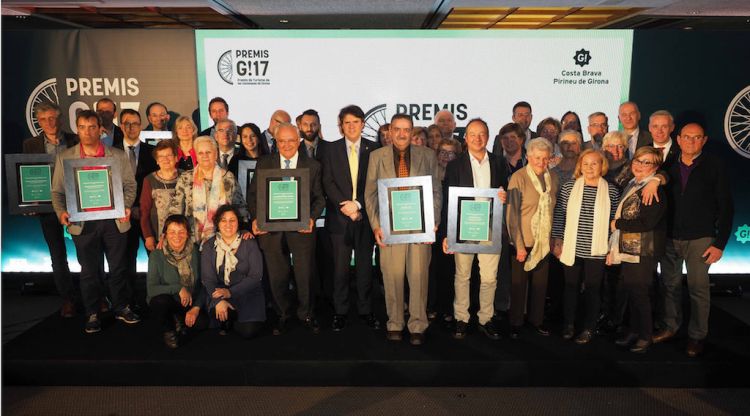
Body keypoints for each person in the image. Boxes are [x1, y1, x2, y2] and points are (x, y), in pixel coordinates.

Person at [51, 110, 139, 333]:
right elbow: (57, 192)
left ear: (100, 129)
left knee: (119, 268)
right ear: (77, 129)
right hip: (83, 223)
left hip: (114, 221)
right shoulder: (65, 157)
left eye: (92, 127)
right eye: (82, 127)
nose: (88, 132)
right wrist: (61, 212)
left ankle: (121, 307)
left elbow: (130, 186)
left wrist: (126, 206)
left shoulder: (117, 155)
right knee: (89, 271)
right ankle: (92, 312)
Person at [656, 122, 734, 357]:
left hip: (701, 239)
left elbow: (726, 207)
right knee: (669, 286)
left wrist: (719, 244)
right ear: (678, 139)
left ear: (704, 140)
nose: (691, 141)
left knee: (698, 289)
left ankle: (697, 336)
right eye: (687, 137)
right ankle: (670, 327)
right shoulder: (667, 165)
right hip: (669, 237)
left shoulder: (715, 165)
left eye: (696, 137)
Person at [364, 114, 442, 346]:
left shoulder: (427, 155)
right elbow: (369, 194)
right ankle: (395, 323)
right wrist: (376, 225)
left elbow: (436, 191)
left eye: (406, 130)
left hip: (420, 228)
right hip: (390, 228)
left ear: (412, 132)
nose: (401, 134)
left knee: (419, 277)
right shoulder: (377, 156)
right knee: (392, 277)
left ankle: (418, 324)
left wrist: (433, 221)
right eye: (396, 129)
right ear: (389, 132)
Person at [248, 123, 325, 335]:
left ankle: (306, 313)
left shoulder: (313, 165)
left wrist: (311, 217)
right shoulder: (265, 163)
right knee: (277, 276)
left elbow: (319, 199)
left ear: (299, 141)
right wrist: (255, 219)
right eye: (282, 141)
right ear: (276, 142)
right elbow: (253, 196)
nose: (287, 145)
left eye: (291, 140)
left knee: (304, 275)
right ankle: (283, 314)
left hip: (302, 230)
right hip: (271, 232)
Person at [441, 118, 509, 340]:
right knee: (462, 276)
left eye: (482, 134)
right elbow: (448, 202)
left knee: (489, 278)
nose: (477, 138)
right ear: (466, 137)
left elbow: (505, 192)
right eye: (473, 134)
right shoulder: (455, 165)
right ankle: (461, 318)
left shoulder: (500, 163)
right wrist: (447, 234)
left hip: (490, 228)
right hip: (463, 228)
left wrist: (504, 196)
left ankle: (485, 318)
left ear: (488, 137)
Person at [321, 105, 381, 331]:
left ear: (363, 124)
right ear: (340, 126)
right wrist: (346, 205)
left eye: (356, 122)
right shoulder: (330, 149)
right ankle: (340, 312)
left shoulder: (374, 149)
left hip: (365, 218)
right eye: (347, 122)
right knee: (340, 269)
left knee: (365, 268)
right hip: (339, 218)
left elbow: (375, 184)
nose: (352, 126)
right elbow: (327, 182)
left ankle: (366, 311)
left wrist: (358, 205)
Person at [551, 149, 619, 344]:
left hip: (597, 250)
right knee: (570, 288)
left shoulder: (611, 191)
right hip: (571, 246)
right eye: (586, 163)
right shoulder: (569, 187)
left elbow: (615, 223)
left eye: (594, 163)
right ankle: (569, 325)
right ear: (580, 165)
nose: (590, 167)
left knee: (593, 290)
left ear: (602, 166)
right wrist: (557, 240)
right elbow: (560, 216)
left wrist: (612, 248)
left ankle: (589, 328)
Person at [608, 147, 667, 353]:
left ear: (656, 167)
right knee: (633, 293)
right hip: (630, 249)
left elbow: (647, 223)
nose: (640, 165)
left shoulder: (653, 188)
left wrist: (617, 224)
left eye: (647, 163)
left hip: (643, 251)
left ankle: (645, 335)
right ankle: (634, 330)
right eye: (638, 160)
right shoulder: (633, 183)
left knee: (640, 295)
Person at [23, 102, 79, 317]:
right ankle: (68, 299)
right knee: (57, 255)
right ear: (38, 122)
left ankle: (98, 295)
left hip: (76, 205)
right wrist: (28, 202)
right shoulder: (30, 144)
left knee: (88, 253)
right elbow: (27, 175)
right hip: (47, 208)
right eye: (45, 119)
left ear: (61, 119)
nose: (50, 123)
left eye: (53, 118)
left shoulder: (75, 139)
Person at [506, 137, 559, 339]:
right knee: (519, 286)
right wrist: (518, 245)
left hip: (543, 241)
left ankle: (536, 321)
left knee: (540, 285)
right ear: (528, 156)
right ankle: (516, 323)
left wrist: (554, 238)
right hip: (522, 241)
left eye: (545, 158)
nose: (541, 162)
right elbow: (511, 214)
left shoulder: (553, 177)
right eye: (537, 157)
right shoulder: (517, 178)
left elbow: (555, 209)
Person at [168, 136, 249, 246]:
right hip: (191, 241)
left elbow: (240, 207)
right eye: (200, 153)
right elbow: (175, 209)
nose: (205, 156)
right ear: (196, 155)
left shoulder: (228, 177)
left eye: (208, 152)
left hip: (223, 240)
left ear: (215, 154)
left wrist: (245, 229)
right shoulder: (186, 177)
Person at [202, 205, 266, 339]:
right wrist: (219, 300)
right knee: (220, 316)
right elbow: (208, 279)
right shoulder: (209, 245)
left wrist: (231, 292)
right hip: (220, 292)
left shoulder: (249, 243)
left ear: (238, 222)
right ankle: (227, 318)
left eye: (232, 220)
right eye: (223, 220)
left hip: (248, 293)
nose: (228, 224)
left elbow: (255, 276)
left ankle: (233, 321)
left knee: (248, 331)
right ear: (217, 223)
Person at [116, 108, 158, 309]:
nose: (131, 127)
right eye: (126, 123)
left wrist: (142, 210)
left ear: (141, 126)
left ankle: (157, 298)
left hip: (148, 215)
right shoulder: (112, 153)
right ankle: (130, 302)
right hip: (122, 216)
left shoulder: (153, 153)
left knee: (156, 258)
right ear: (121, 126)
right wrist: (126, 208)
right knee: (126, 261)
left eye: (135, 123)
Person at [147, 214, 208, 348]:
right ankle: (169, 331)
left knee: (202, 324)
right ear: (165, 234)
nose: (177, 236)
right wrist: (179, 288)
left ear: (187, 234)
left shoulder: (196, 252)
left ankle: (179, 318)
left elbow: (204, 285)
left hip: (190, 301)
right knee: (159, 302)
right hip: (168, 300)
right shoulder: (156, 255)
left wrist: (196, 308)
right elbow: (151, 289)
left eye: (181, 232)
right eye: (172, 232)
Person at [140, 140, 181, 253]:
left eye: (169, 155)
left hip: (183, 237)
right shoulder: (149, 180)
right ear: (157, 161)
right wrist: (148, 236)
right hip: (157, 237)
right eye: (161, 156)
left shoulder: (186, 177)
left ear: (176, 158)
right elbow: (144, 211)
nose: (166, 159)